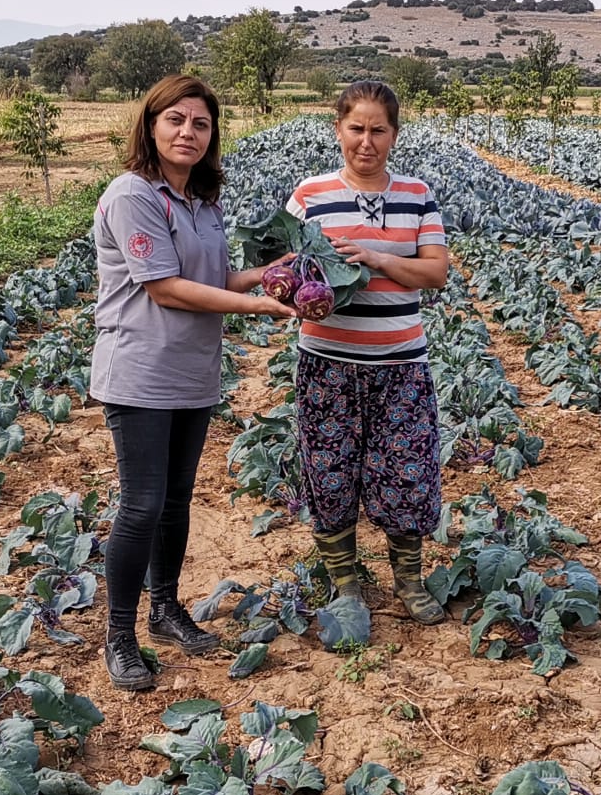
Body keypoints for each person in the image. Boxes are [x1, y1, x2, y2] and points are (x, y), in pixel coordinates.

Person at [91, 75, 296, 691]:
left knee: (177, 501)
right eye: (175, 120)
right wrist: (258, 309)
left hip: (192, 372)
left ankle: (166, 610)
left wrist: (262, 276)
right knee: (141, 505)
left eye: (200, 124)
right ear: (151, 126)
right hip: (140, 372)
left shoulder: (203, 201)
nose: (188, 132)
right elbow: (165, 287)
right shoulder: (133, 194)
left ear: (211, 136)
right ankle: (120, 635)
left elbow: (210, 275)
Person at [287, 80, 452, 627]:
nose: (366, 141)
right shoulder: (309, 197)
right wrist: (297, 292)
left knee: (409, 471)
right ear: (338, 129)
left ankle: (408, 578)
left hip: (401, 364)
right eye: (356, 128)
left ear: (394, 134)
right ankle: (345, 584)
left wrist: (376, 258)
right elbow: (285, 272)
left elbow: (435, 272)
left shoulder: (417, 195)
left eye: (378, 130)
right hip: (327, 363)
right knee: (329, 471)